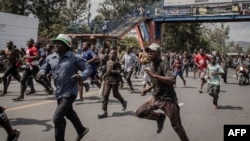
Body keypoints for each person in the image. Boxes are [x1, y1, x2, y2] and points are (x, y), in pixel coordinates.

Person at [37, 34, 92, 141]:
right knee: (68, 112)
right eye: (55, 43)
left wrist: (81, 76)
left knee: (57, 118)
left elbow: (87, 68)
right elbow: (44, 68)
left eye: (59, 43)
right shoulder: (50, 57)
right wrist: (42, 72)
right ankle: (81, 130)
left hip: (70, 91)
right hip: (59, 91)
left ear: (67, 45)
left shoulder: (75, 57)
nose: (56, 45)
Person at [135, 43, 189, 141]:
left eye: (152, 51)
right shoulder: (152, 64)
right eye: (148, 51)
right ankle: (159, 117)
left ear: (158, 53)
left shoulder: (163, 64)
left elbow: (172, 80)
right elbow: (157, 82)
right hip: (156, 97)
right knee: (140, 112)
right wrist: (148, 88)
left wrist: (154, 76)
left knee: (177, 127)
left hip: (168, 100)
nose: (149, 54)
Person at [98, 49, 127, 118]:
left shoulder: (116, 62)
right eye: (111, 53)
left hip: (114, 81)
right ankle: (104, 111)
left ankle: (123, 102)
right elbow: (107, 71)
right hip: (107, 80)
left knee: (115, 94)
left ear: (115, 55)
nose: (112, 54)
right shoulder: (107, 61)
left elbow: (119, 71)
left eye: (113, 53)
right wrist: (104, 75)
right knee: (105, 95)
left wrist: (112, 71)